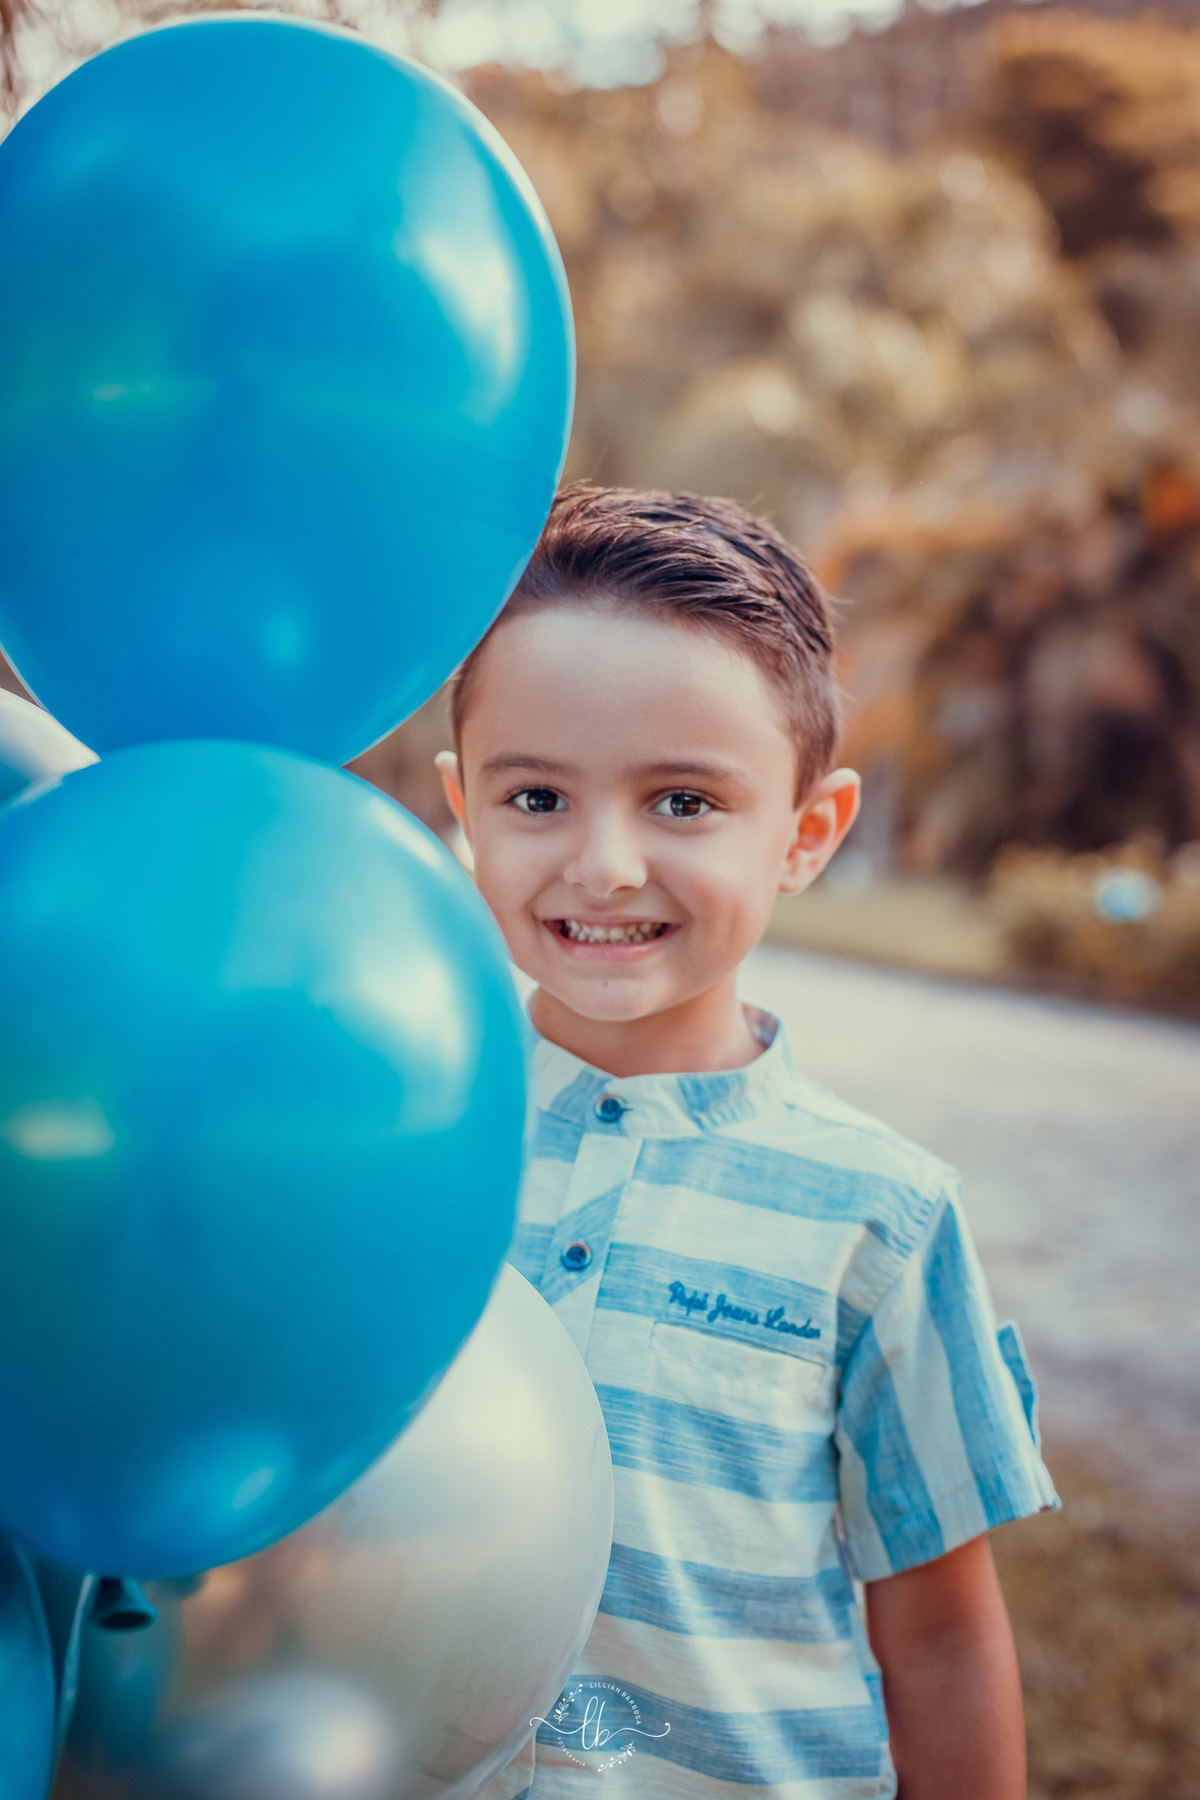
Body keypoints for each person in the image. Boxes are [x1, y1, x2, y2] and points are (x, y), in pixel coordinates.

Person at [436, 484, 1058, 1800]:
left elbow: (943, 1638)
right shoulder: (404, 1139)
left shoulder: (880, 1217)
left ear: (807, 832)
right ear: (463, 810)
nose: (603, 865)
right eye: (537, 797)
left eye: (683, 803)